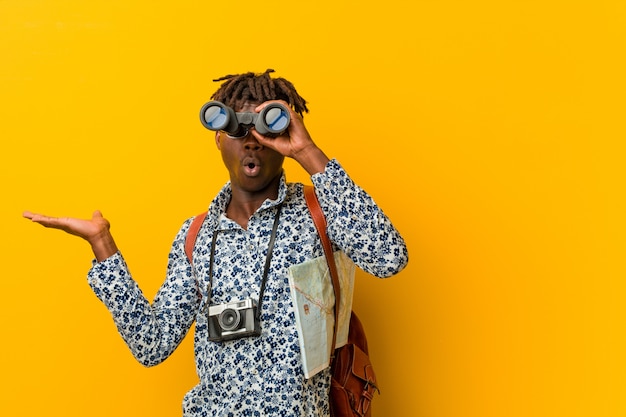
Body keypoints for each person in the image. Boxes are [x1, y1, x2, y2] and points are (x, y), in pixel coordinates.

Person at [23, 69, 409, 416]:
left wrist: (309, 153)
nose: (252, 143)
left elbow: (389, 258)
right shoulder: (195, 236)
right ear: (219, 138)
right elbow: (152, 344)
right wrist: (103, 245)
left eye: (265, 129)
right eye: (239, 130)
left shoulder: (320, 213)